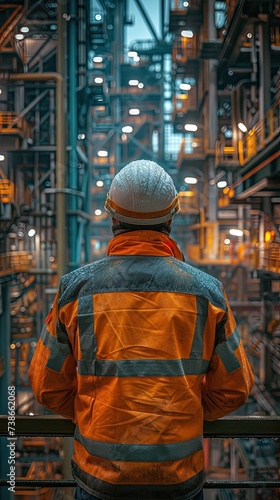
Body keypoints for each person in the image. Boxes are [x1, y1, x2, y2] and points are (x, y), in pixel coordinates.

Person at [29, 160, 254, 500]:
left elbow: (46, 386)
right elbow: (235, 388)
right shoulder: (208, 294)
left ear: (113, 218)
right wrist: (183, 412)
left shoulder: (73, 291)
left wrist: (96, 411)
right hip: (179, 478)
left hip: (99, 479)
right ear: (171, 219)